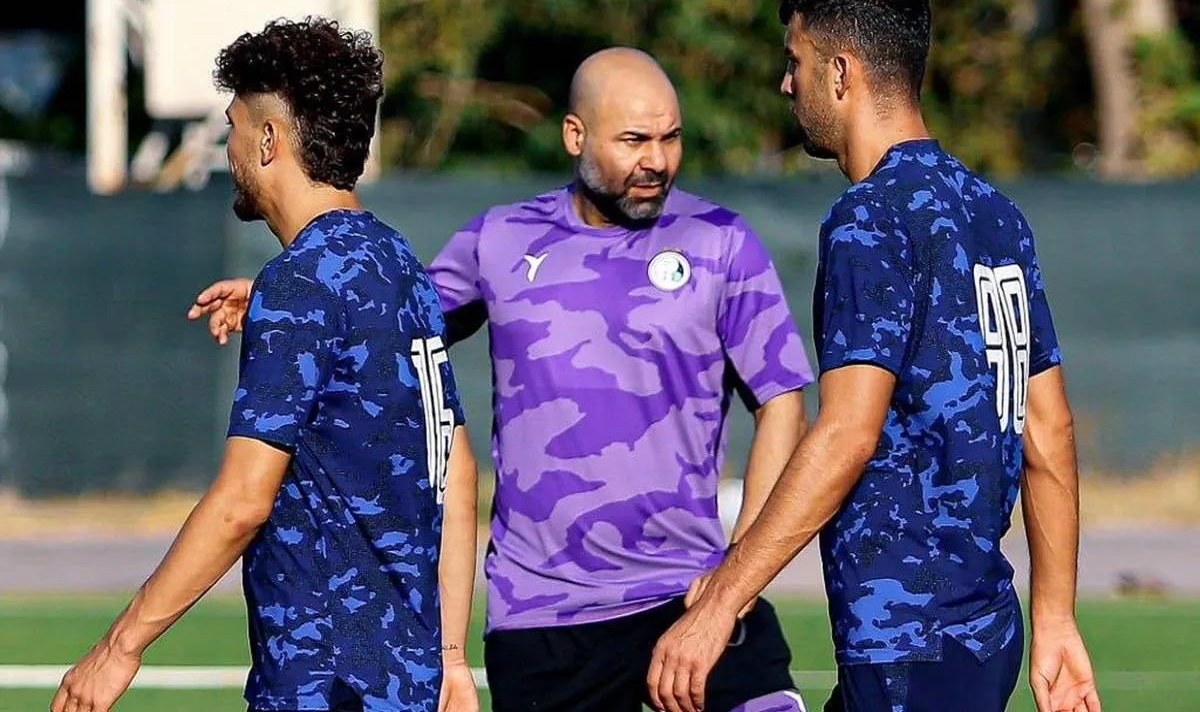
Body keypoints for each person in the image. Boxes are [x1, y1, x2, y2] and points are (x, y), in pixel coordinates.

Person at [187, 47, 814, 712]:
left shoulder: (721, 241)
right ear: (575, 135)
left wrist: (736, 574)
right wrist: (286, 299)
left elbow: (782, 402)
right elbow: (387, 319)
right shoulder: (502, 239)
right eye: (634, 140)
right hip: (542, 618)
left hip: (690, 593)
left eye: (670, 138)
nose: (656, 160)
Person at [647, 0, 1102, 712]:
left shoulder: (870, 219)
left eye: (795, 61)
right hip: (983, 632)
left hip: (905, 642)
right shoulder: (994, 213)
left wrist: (722, 599)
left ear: (840, 73)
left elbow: (846, 433)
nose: (785, 83)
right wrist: (1054, 618)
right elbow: (1048, 428)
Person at [52, 17, 479, 712]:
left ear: (270, 139)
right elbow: (454, 468)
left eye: (233, 128)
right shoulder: (397, 264)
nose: (229, 148)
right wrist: (451, 659)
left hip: (323, 685)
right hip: (406, 682)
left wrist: (119, 646)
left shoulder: (302, 284)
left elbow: (242, 503)